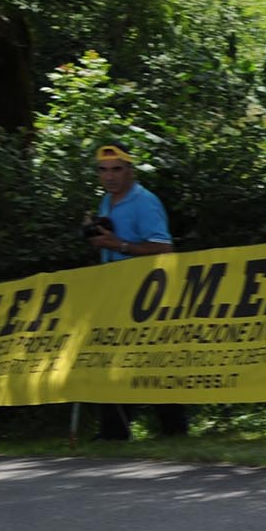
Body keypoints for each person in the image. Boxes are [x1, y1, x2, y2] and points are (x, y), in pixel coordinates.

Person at [88, 144, 187, 439]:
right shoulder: (106, 202)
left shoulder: (145, 202)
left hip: (149, 295)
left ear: (130, 170)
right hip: (117, 293)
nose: (110, 176)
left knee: (155, 362)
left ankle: (174, 431)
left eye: (117, 169)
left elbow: (165, 248)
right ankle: (114, 432)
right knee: (114, 359)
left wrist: (119, 246)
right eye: (104, 170)